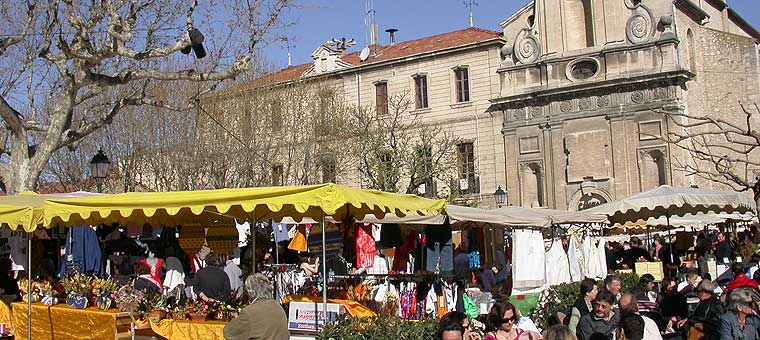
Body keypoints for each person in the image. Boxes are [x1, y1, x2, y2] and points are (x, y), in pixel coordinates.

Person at [223, 274, 289, 340]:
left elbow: (228, 333)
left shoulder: (249, 312)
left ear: (249, 292)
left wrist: (234, 319)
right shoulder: (278, 307)